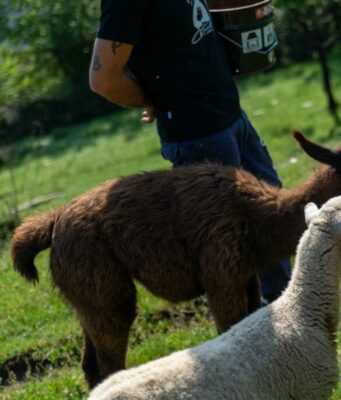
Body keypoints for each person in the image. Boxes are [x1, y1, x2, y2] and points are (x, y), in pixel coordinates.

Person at [88, 0, 290, 303]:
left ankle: (286, 314)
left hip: (232, 116)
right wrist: (154, 100)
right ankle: (245, 336)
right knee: (229, 245)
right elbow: (103, 78)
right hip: (198, 136)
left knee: (273, 217)